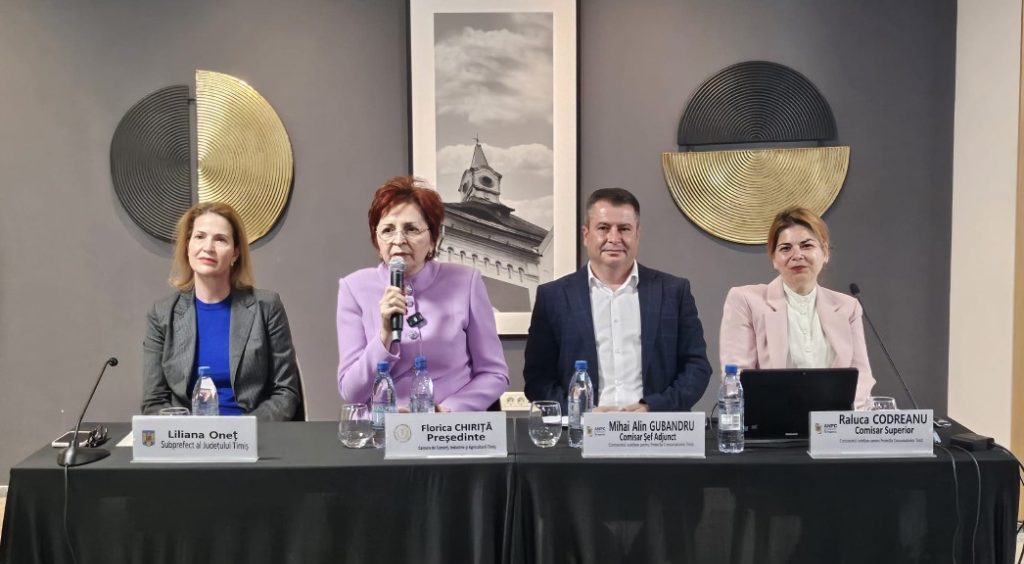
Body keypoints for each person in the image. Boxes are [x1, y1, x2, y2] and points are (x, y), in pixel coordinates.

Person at [524, 187, 712, 412]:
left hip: (656, 433)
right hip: (582, 435)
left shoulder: (673, 292)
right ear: (586, 235)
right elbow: (538, 379)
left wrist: (653, 408)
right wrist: (581, 412)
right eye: (603, 228)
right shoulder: (553, 297)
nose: (614, 238)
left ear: (637, 234)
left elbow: (697, 367)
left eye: (624, 229)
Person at [336, 176, 508, 411]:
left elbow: (494, 373)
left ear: (433, 238)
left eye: (411, 229)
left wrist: (448, 411)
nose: (398, 240)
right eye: (387, 230)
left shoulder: (466, 281)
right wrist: (385, 335)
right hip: (384, 431)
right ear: (376, 239)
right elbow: (351, 391)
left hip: (450, 432)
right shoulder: (353, 288)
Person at [142, 202, 303, 420]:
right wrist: (190, 434)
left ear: (235, 253)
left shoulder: (266, 307)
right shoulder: (162, 314)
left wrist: (240, 432)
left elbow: (286, 393)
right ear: (187, 245)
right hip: (188, 441)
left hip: (253, 438)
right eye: (199, 236)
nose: (208, 247)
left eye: (220, 239)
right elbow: (154, 401)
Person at [719, 206, 875, 409]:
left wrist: (844, 421)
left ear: (825, 252)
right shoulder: (745, 300)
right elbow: (736, 378)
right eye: (785, 248)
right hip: (772, 428)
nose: (797, 255)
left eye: (806, 245)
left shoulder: (848, 307)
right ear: (773, 258)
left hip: (835, 429)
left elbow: (861, 377)